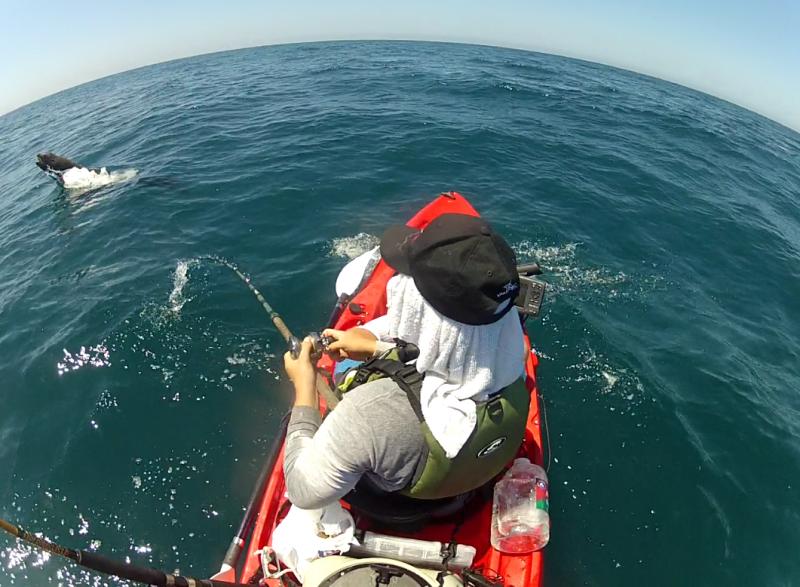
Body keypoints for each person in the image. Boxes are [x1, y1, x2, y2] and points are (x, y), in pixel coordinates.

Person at [282, 213, 529, 510]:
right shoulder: (514, 360)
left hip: (399, 504)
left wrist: (304, 387)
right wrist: (374, 346)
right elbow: (458, 348)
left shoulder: (368, 413)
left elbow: (302, 492)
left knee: (345, 372)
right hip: (468, 478)